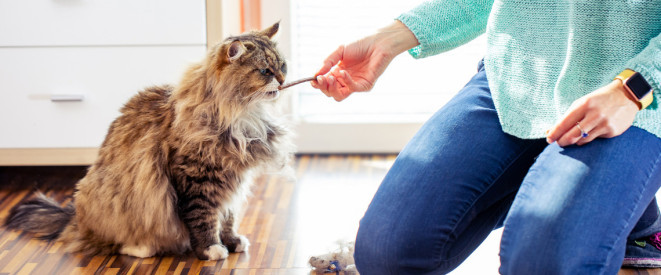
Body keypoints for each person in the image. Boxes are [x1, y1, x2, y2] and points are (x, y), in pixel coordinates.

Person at [310, 0, 661, 274]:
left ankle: (629, 215)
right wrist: (387, 40)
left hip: (633, 95)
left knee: (541, 264)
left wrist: (635, 89)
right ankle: (570, 185)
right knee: (385, 253)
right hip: (518, 78)